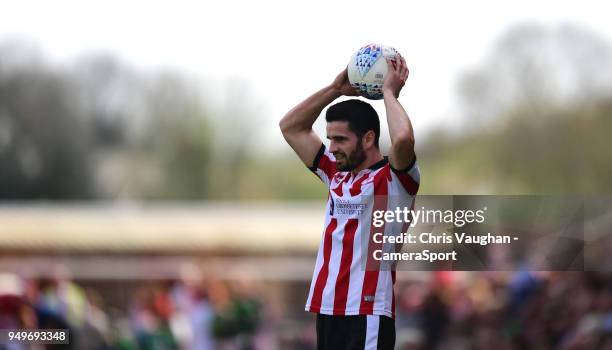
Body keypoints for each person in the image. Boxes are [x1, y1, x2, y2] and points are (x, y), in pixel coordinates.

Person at [279, 55, 420, 350]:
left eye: (340, 140)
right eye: (330, 139)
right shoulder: (334, 173)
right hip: (327, 309)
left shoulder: (394, 180)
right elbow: (290, 127)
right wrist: (334, 89)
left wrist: (388, 94)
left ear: (368, 139)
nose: (332, 148)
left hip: (367, 313)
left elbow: (404, 139)